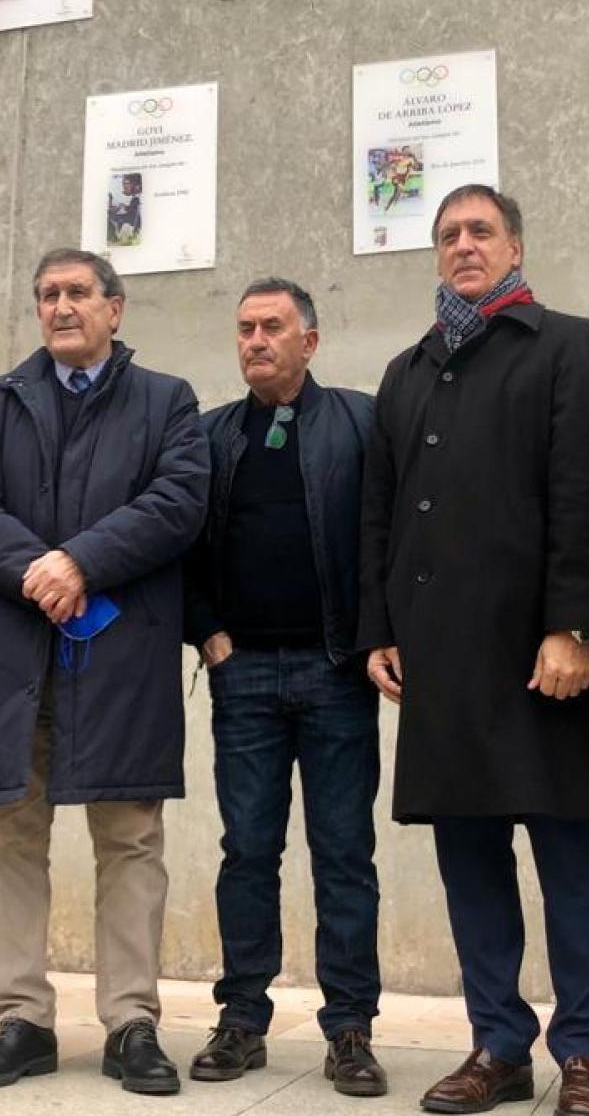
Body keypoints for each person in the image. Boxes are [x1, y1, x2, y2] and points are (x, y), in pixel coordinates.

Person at [359, 186, 589, 1116]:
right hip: (436, 659)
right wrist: (377, 631)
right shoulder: (407, 370)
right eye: (448, 236)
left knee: (568, 857)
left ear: (514, 246)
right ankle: (498, 1046)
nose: (463, 246)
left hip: (534, 655)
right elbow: (378, 516)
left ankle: (585, 1053)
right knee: (469, 860)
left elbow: (587, 493)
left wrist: (573, 627)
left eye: (480, 232)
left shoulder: (563, 344)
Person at [0, 248, 209, 1096]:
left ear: (115, 309)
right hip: (10, 660)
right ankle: (20, 1021)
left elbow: (177, 501)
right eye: (48, 295)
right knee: (8, 839)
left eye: (78, 293)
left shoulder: (168, 401)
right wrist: (38, 570)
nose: (61, 307)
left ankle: (132, 1022)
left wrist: (82, 562)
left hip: (119, 656)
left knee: (130, 841)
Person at [183, 279, 386, 1098]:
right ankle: (241, 1020)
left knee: (344, 853)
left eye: (273, 327)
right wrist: (204, 630)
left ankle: (350, 1028)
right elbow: (181, 539)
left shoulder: (363, 421)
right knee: (248, 851)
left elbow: (390, 531)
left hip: (336, 670)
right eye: (245, 329)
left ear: (311, 339)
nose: (256, 340)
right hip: (245, 677)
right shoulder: (209, 435)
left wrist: (378, 637)